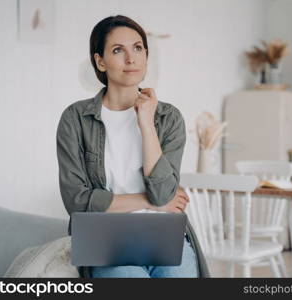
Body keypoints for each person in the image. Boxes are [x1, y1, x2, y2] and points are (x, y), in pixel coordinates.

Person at [56, 15, 209, 278]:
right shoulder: (75, 119)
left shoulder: (168, 118)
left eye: (138, 48)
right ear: (100, 61)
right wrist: (152, 204)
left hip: (165, 236)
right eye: (118, 50)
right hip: (107, 238)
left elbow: (163, 193)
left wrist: (147, 124)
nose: (131, 58)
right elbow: (77, 202)